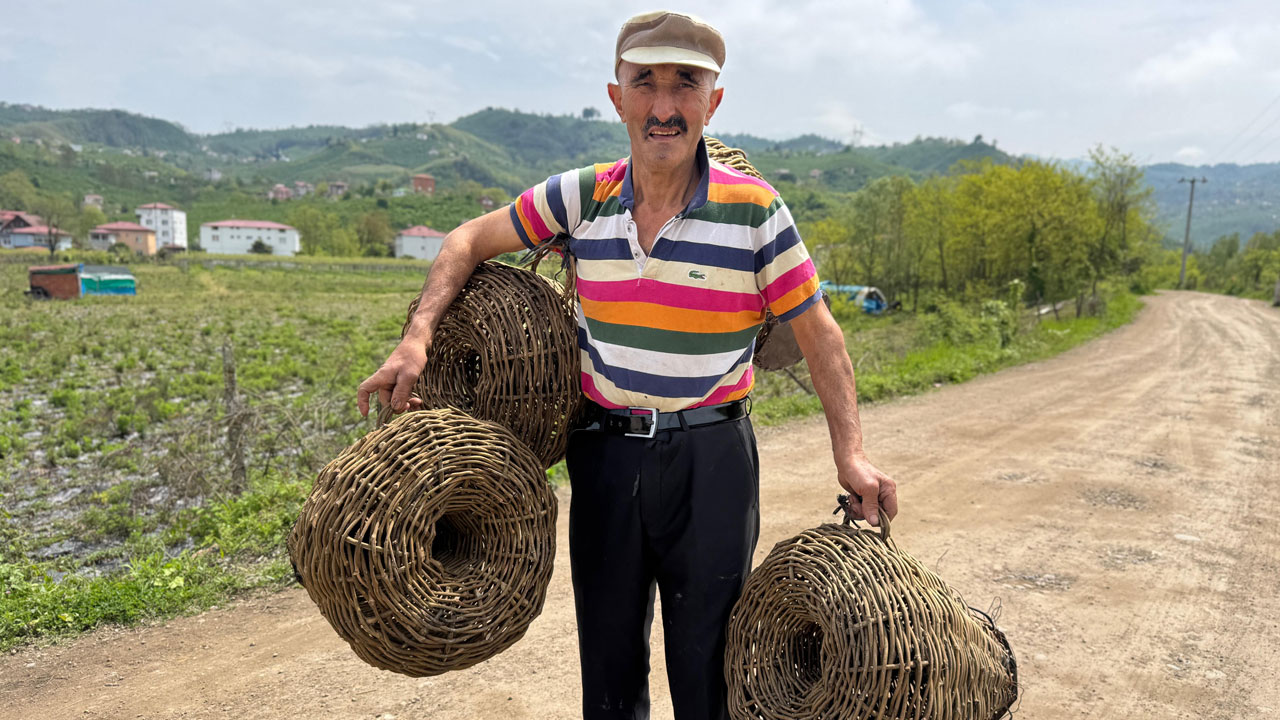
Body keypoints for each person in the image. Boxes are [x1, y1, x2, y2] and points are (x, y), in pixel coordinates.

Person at [357, 10, 897, 719]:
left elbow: (822, 337)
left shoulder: (757, 213)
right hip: (607, 457)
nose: (665, 106)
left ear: (714, 101)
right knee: (608, 669)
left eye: (686, 84)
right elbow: (465, 240)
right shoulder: (582, 197)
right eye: (646, 83)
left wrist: (850, 454)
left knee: (710, 671)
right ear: (617, 97)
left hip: (714, 461)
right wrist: (416, 339)